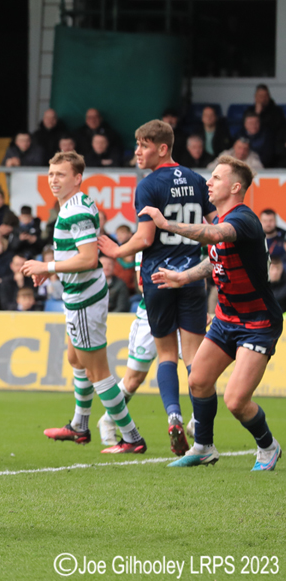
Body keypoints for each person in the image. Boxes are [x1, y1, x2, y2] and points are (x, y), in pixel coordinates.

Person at [145, 156, 282, 470]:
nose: (208, 182)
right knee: (198, 380)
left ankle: (268, 446)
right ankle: (203, 447)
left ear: (235, 187)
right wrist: (183, 277)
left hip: (258, 322)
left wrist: (166, 224)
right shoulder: (223, 221)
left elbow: (216, 236)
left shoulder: (243, 219)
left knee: (236, 401)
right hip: (226, 317)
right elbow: (216, 257)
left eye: (217, 178)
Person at [98, 119, 213, 455]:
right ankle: (200, 426)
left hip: (159, 278)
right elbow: (214, 228)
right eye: (137, 145)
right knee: (194, 358)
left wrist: (118, 251)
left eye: (144, 146)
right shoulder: (197, 180)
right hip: (192, 276)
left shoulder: (148, 185)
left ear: (162, 148)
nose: (137, 151)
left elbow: (146, 237)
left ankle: (173, 415)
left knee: (166, 356)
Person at [24, 151, 146, 454]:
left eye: (60, 174)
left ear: (77, 178)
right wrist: (51, 272)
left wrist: (47, 266)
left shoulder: (74, 210)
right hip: (80, 294)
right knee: (76, 359)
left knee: (97, 371)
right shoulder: (77, 203)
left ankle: (131, 437)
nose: (53, 180)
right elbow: (78, 254)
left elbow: (89, 258)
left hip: (85, 298)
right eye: (51, 174)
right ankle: (79, 425)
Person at [97, 251, 159, 446]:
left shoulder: (190, 238)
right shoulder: (146, 242)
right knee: (133, 380)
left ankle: (199, 427)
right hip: (151, 314)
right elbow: (142, 284)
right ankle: (108, 419)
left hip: (186, 312)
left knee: (199, 371)